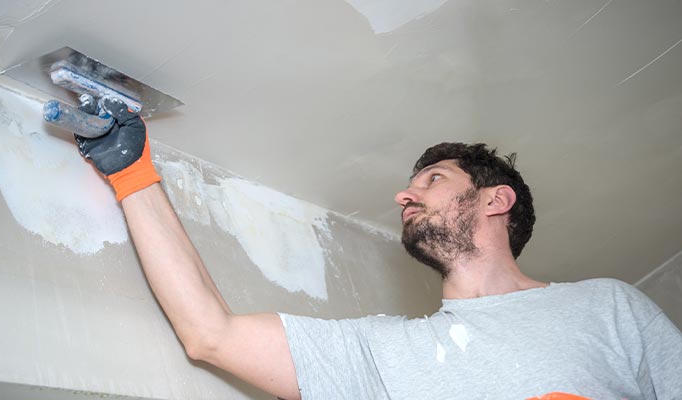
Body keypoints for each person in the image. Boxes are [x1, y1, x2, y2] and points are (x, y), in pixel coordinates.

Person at [76, 99, 682, 400]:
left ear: (496, 201)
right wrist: (133, 176)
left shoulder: (607, 308)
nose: (403, 195)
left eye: (433, 180)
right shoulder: (384, 356)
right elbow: (211, 334)